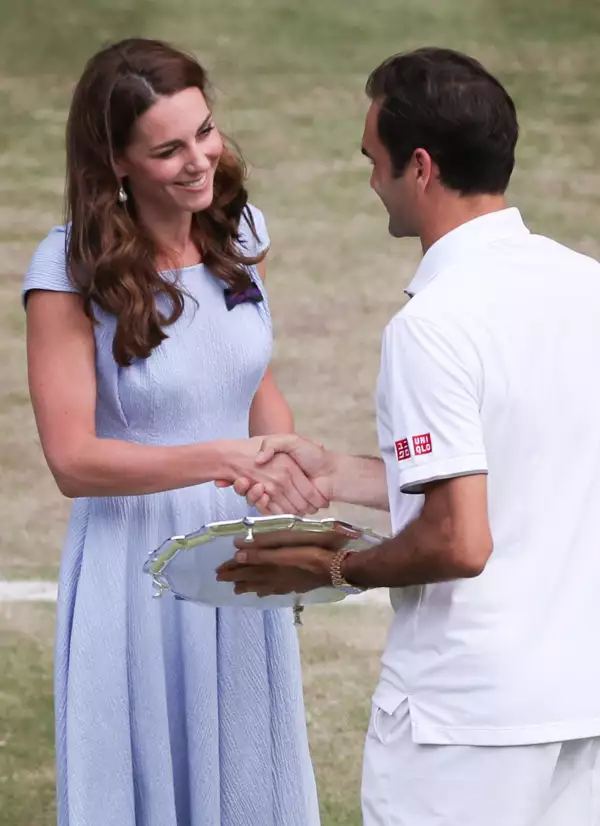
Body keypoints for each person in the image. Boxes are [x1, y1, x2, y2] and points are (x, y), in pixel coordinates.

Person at [218, 47, 600, 825]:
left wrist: (332, 566)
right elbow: (523, 463)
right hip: (579, 707)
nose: (370, 181)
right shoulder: (586, 287)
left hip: (464, 729)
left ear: (419, 168)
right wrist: (336, 473)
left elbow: (459, 539)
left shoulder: (432, 326)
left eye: (375, 160)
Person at [22, 37, 325, 826]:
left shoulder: (239, 230)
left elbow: (252, 380)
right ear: (116, 162)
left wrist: (284, 486)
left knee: (248, 772)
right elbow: (73, 460)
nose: (199, 161)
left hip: (239, 545)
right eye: (168, 149)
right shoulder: (67, 268)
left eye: (205, 132)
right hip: (136, 561)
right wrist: (221, 460)